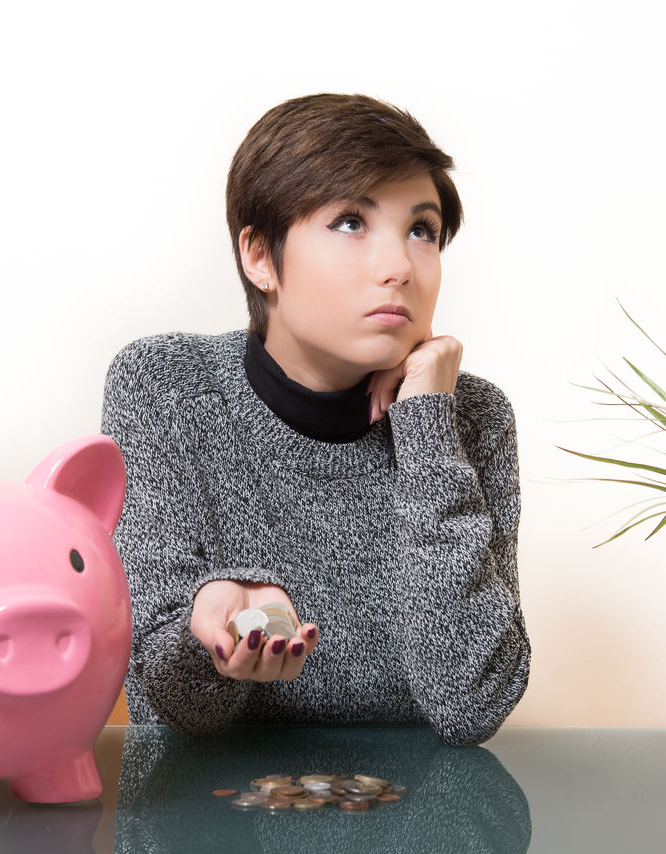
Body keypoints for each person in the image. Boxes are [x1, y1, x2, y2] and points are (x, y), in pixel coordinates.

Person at [100, 93, 529, 747]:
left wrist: (426, 423)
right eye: (351, 222)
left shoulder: (469, 418)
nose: (399, 269)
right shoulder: (166, 386)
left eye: (423, 230)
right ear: (259, 257)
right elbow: (169, 702)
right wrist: (212, 646)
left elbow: (469, 708)